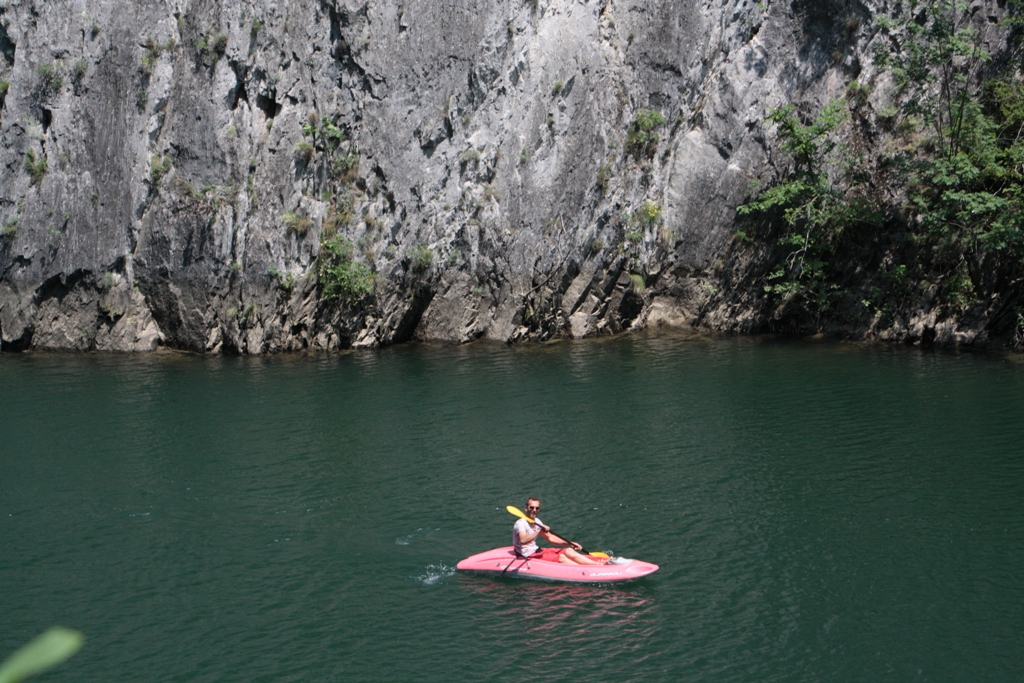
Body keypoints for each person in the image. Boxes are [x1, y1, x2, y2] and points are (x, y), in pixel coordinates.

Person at [512, 497, 606, 565]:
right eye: (531, 507)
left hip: (536, 550)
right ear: (526, 508)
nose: (534, 510)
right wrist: (539, 530)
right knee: (561, 557)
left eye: (537, 508)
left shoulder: (537, 521)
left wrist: (569, 543)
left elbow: (550, 538)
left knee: (568, 550)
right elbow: (523, 540)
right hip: (527, 554)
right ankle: (589, 570)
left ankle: (594, 564)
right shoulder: (520, 523)